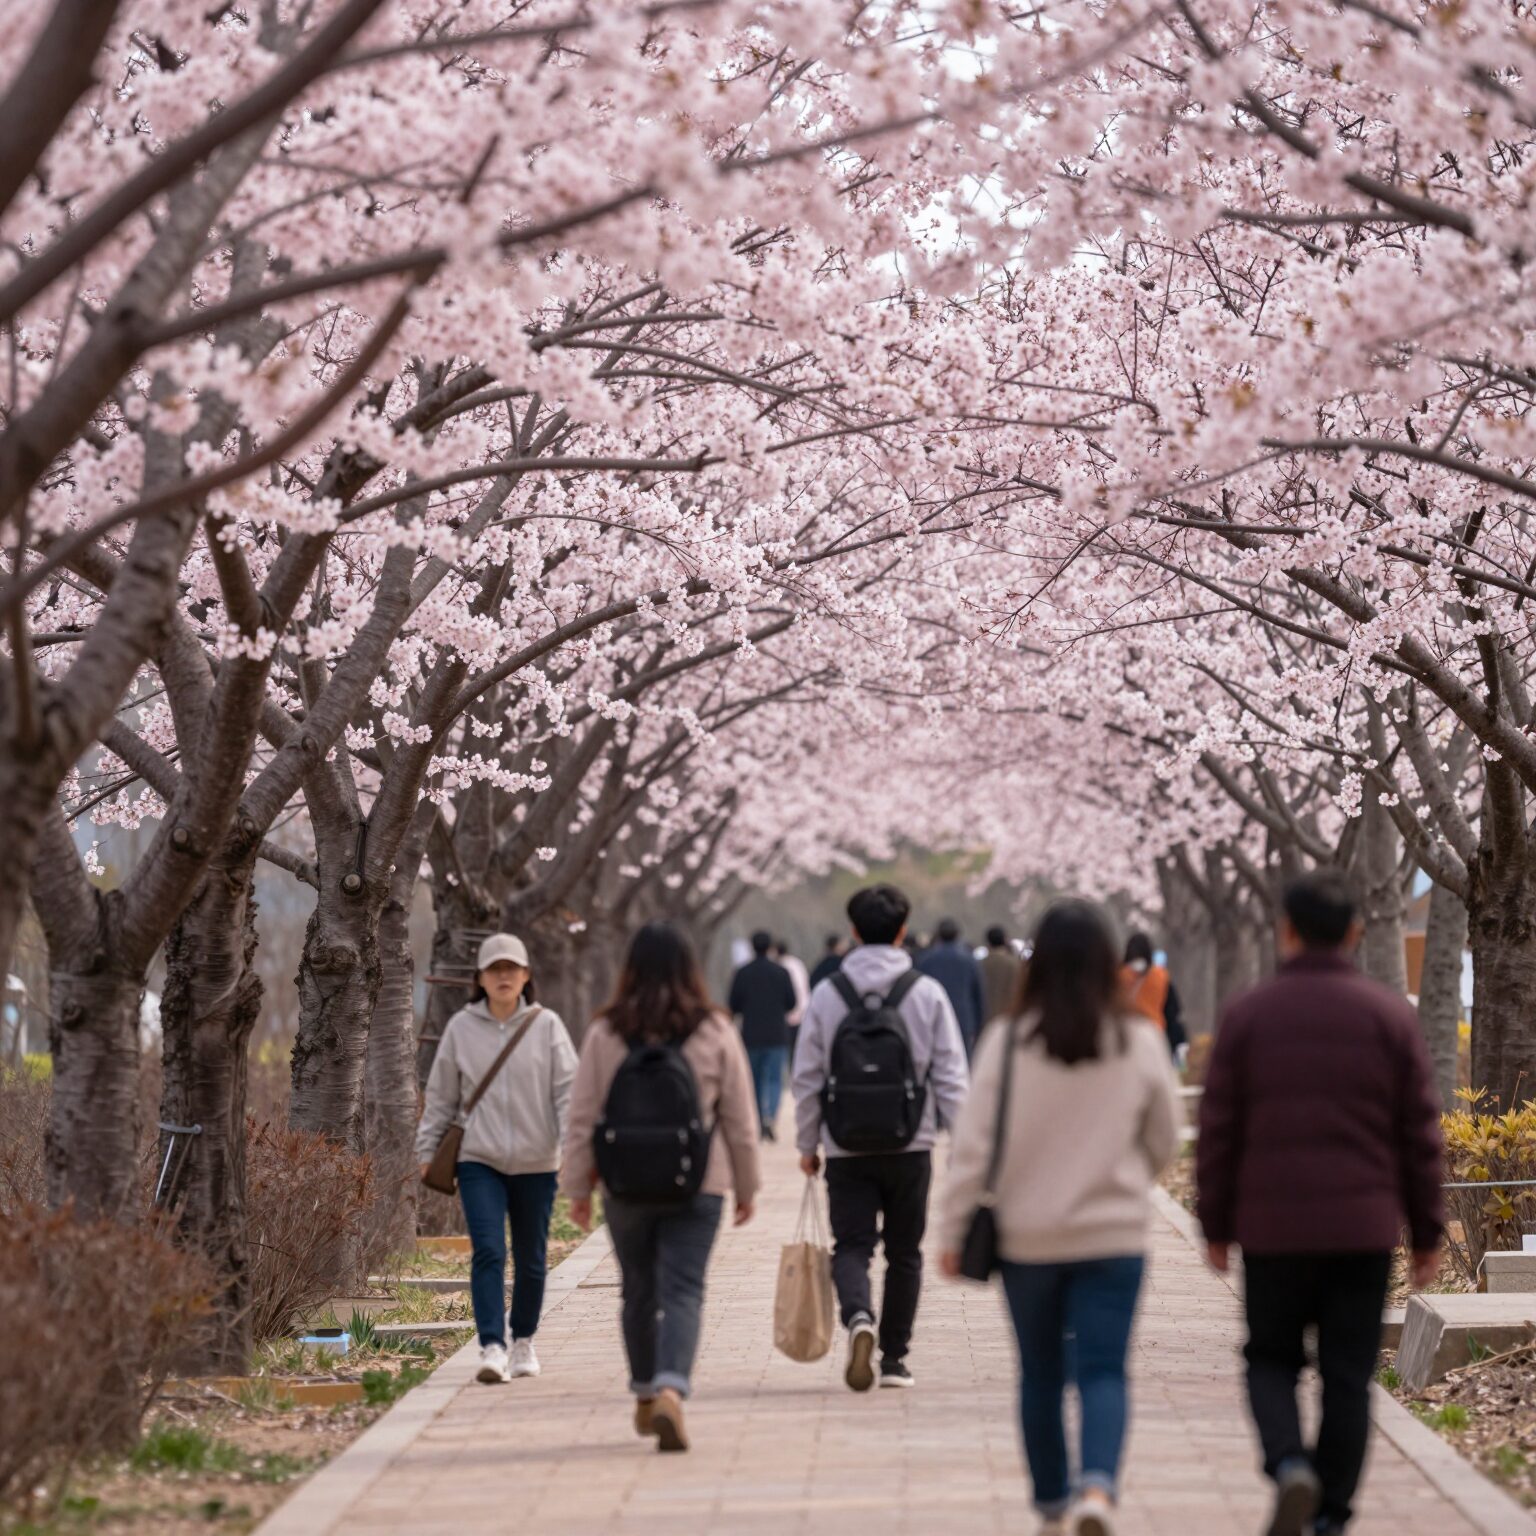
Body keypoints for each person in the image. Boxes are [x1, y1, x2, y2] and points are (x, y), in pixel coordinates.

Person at [1197, 870, 1444, 1536]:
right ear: (1356, 933)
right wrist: (1427, 1231)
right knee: (1346, 1376)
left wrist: (1215, 1224)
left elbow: (1220, 1132)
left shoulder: (1249, 1013)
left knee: (1270, 1358)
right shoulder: (1390, 1016)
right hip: (1362, 1231)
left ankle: (1287, 1467)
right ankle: (1331, 1515)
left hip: (1273, 1229)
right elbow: (1419, 1134)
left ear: (1287, 931)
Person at [938, 900, 1182, 1536]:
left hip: (1028, 1238)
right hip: (1114, 1233)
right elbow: (1164, 1137)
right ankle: (1098, 1489)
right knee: (1103, 1369)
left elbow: (972, 1148)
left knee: (1040, 1372)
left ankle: (1051, 1506)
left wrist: (951, 1230)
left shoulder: (1008, 1043)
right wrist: (1127, 1178)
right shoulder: (1138, 1038)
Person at [561, 922, 760, 1453]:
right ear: (690, 969)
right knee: (684, 1289)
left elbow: (582, 1116)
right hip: (700, 1181)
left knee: (638, 1290)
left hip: (625, 1183)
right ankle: (674, 1386)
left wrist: (578, 1186)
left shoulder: (606, 1032)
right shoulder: (715, 1030)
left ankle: (646, 1393)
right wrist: (747, 1186)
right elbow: (740, 1117)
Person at [793, 884, 969, 1392]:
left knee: (851, 1245)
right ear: (901, 931)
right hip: (911, 1142)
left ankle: (858, 1319)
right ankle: (894, 1359)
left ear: (853, 931)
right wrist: (963, 1142)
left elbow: (806, 1076)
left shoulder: (829, 994)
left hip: (846, 1143)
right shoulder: (926, 991)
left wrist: (808, 1144)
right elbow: (951, 1075)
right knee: (905, 1252)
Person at [416, 933, 578, 1385]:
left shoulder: (547, 1026)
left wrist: (569, 1147)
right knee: (488, 1250)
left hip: (537, 1160)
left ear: (526, 976)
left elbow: (568, 1092)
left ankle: (523, 1339)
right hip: (478, 1160)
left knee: (531, 1256)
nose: (504, 976)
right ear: (480, 978)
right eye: (495, 969)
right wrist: (426, 1151)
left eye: (512, 968)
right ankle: (492, 1345)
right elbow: (441, 1096)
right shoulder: (460, 1029)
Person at [727, 930, 798, 1138]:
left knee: (755, 1079)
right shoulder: (781, 972)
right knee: (775, 1078)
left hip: (751, 1034)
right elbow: (792, 1002)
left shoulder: (742, 973)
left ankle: (758, 1118)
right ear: (770, 947)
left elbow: (734, 1004)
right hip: (776, 1033)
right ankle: (771, 1117)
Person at [917, 916, 986, 1056]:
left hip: (932, 1019)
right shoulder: (969, 960)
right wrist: (980, 1025)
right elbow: (978, 994)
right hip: (963, 1019)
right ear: (957, 934)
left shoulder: (926, 959)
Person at [1120, 932, 1187, 1061]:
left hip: (1125, 1041)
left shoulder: (1116, 978)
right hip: (1155, 1040)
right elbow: (1173, 1013)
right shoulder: (1161, 977)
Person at [776, 937, 811, 1069]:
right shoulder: (797, 964)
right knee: (797, 1053)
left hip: (787, 1017)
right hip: (802, 1014)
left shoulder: (780, 968)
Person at [981, 924, 1024, 1025]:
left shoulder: (980, 964)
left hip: (985, 1019)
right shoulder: (1015, 964)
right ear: (1005, 940)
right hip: (1007, 1018)